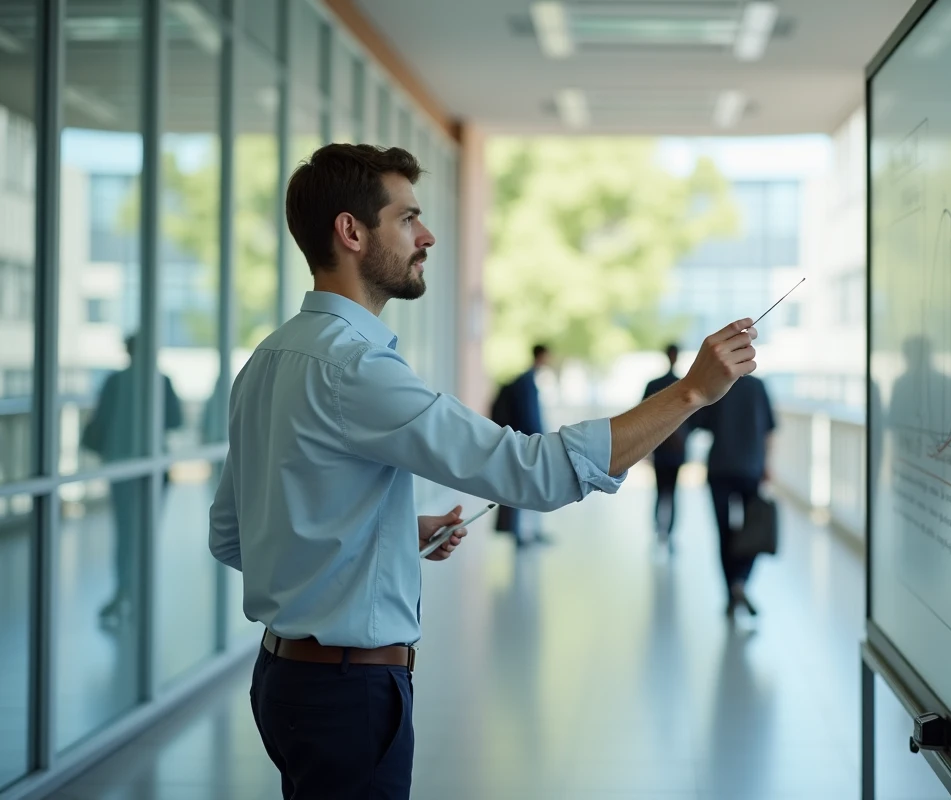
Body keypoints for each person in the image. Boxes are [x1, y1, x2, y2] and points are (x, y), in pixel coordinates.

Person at [207, 143, 759, 799]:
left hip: (283, 681)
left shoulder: (270, 358)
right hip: (346, 692)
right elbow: (537, 473)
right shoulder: (356, 369)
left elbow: (235, 534)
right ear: (351, 232)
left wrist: (388, 534)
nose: (428, 235)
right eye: (408, 218)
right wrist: (690, 393)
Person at [81, 332, 183, 627]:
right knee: (146, 532)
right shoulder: (160, 380)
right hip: (153, 467)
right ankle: (136, 592)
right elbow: (175, 421)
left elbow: (99, 423)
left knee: (125, 532)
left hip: (121, 466)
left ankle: (124, 591)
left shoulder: (115, 381)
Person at [692, 372, 775, 619]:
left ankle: (731, 592)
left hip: (720, 467)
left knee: (724, 533)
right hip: (750, 468)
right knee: (753, 531)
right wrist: (767, 465)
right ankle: (741, 581)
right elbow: (768, 431)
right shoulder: (759, 387)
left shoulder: (718, 384)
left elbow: (701, 422)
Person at [494, 343, 553, 546]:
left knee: (528, 488)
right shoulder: (526, 382)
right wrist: (539, 439)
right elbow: (529, 416)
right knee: (523, 488)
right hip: (526, 443)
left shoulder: (528, 380)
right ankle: (521, 534)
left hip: (526, 441)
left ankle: (527, 532)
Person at [642, 343, 689, 551]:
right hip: (676, 449)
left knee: (660, 491)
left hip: (660, 447)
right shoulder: (684, 384)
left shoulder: (654, 384)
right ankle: (667, 533)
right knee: (671, 492)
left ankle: (658, 530)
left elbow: (642, 415)